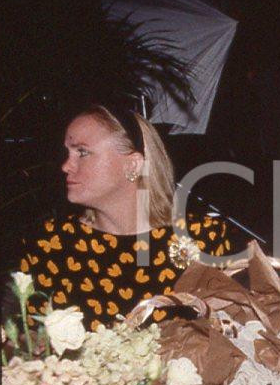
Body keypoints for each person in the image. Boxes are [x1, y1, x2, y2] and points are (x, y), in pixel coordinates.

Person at [18, 105, 241, 331]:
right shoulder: (49, 244)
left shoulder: (203, 237)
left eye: (82, 152)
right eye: (67, 153)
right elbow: (33, 347)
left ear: (132, 165)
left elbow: (232, 334)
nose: (66, 166)